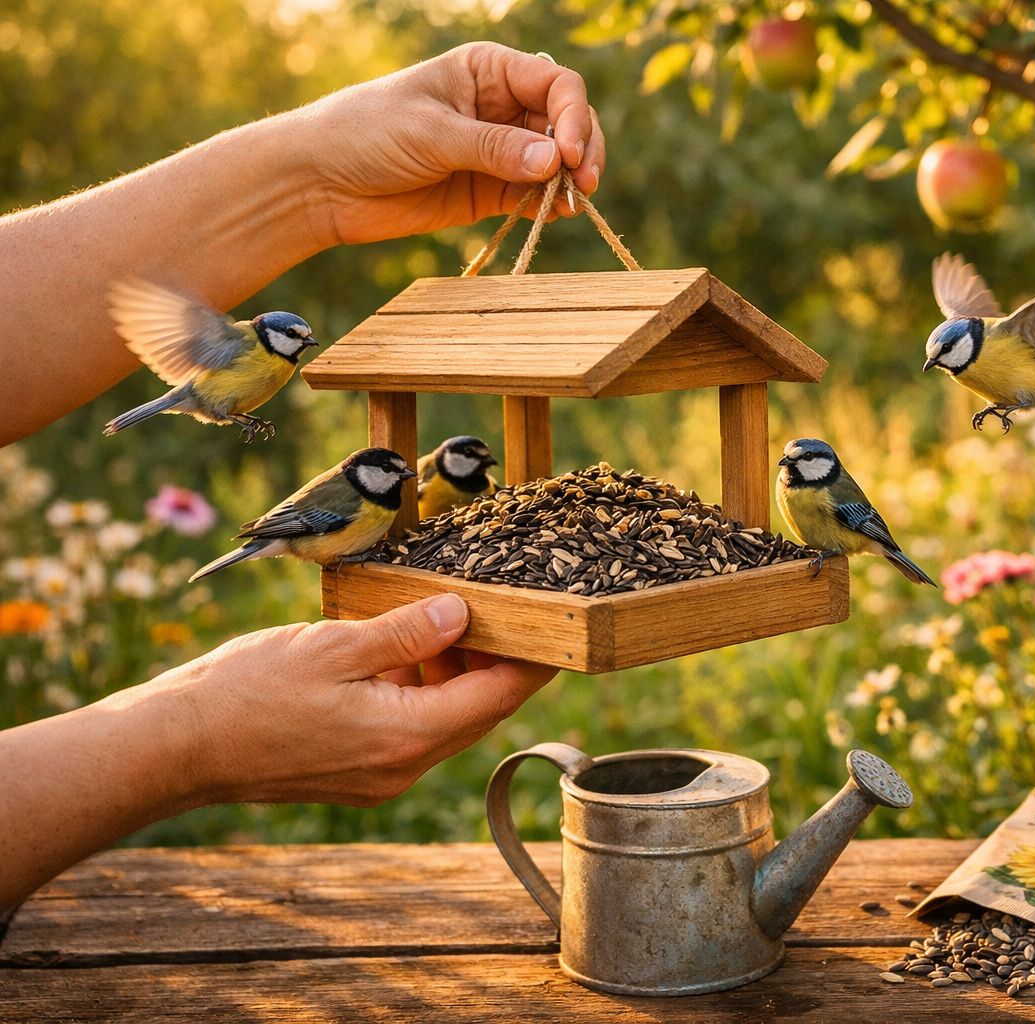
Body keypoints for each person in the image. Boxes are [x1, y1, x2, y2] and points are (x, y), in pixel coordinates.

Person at [0, 43, 606, 913]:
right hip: (245, 455)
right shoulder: (256, 365)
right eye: (296, 340)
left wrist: (314, 173)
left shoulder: (303, 391)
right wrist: (194, 738)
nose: (303, 349)